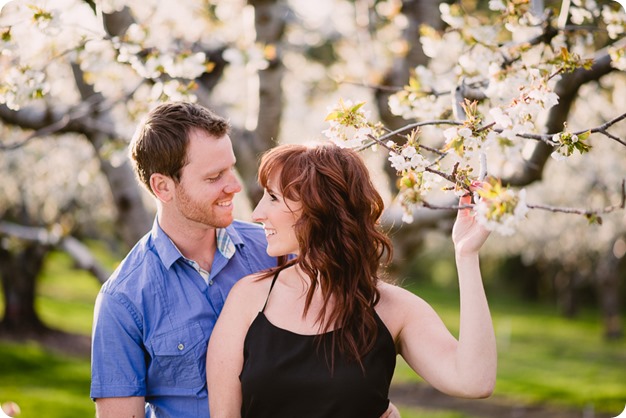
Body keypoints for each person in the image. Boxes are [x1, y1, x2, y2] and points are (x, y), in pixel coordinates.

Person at [206, 143, 497, 417]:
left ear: (318, 207)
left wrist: (466, 255)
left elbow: (475, 381)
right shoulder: (249, 298)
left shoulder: (395, 309)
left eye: (272, 198)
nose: (257, 214)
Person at [90, 102, 277, 417]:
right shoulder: (122, 300)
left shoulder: (275, 251)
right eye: (214, 176)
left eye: (230, 168)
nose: (234, 186)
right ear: (163, 186)